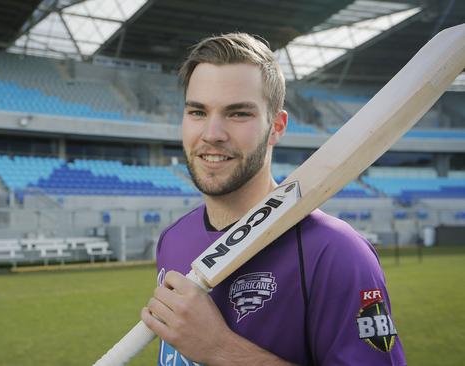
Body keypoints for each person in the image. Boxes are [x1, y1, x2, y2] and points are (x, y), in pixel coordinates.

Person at [140, 33, 406, 366]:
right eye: (197, 112)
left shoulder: (336, 252)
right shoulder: (173, 239)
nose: (212, 133)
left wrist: (222, 349)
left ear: (276, 126)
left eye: (238, 114)